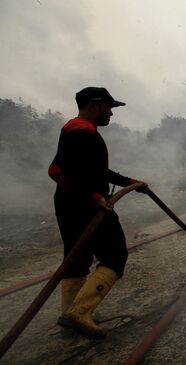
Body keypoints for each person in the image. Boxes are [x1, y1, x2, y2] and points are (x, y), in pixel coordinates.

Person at [48, 87, 147, 339]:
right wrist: (94, 198)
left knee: (76, 258)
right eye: (109, 107)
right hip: (88, 207)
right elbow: (67, 172)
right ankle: (80, 312)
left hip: (70, 205)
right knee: (115, 255)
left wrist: (129, 182)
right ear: (95, 105)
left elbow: (89, 170)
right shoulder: (83, 133)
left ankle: (70, 314)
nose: (111, 113)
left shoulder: (74, 129)